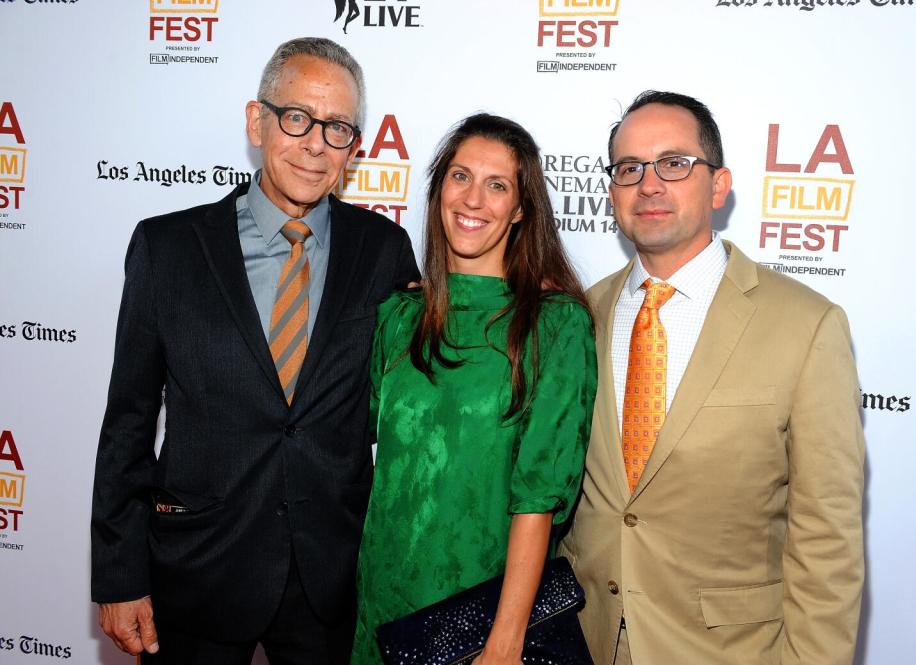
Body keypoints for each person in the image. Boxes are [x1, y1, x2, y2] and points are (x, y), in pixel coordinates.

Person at [90, 37, 418, 665]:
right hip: (197, 568)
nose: (316, 143)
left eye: (338, 128)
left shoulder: (384, 251)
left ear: (354, 147)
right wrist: (118, 576)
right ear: (256, 121)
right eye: (297, 118)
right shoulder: (169, 249)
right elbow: (127, 422)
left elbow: (411, 403)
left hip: (332, 576)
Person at [559, 91, 865, 665]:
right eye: (629, 169)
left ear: (719, 186)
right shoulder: (578, 317)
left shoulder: (807, 324)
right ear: (611, 192)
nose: (649, 184)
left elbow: (828, 538)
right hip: (586, 642)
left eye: (674, 163)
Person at [350, 113, 598, 664]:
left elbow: (538, 500)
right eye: (460, 176)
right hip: (381, 606)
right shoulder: (398, 315)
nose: (473, 199)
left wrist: (504, 641)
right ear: (439, 188)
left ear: (520, 210)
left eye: (498, 185)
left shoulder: (554, 326)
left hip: (482, 617)